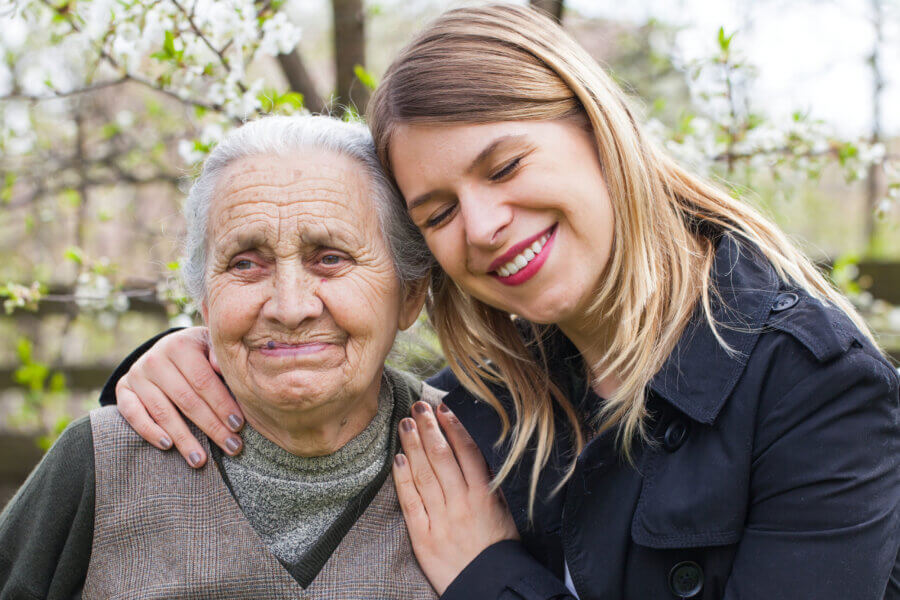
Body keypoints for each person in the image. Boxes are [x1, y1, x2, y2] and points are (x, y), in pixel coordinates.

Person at [99, 4, 899, 600]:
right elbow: (318, 412)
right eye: (437, 212)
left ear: (597, 128)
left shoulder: (811, 389)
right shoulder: (477, 408)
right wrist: (174, 365)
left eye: (506, 166)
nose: (481, 226)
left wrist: (492, 576)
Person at [0, 115, 523, 599]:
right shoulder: (100, 462)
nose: (290, 306)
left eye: (331, 258)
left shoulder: (488, 457)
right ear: (204, 300)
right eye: (246, 263)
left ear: (410, 294)